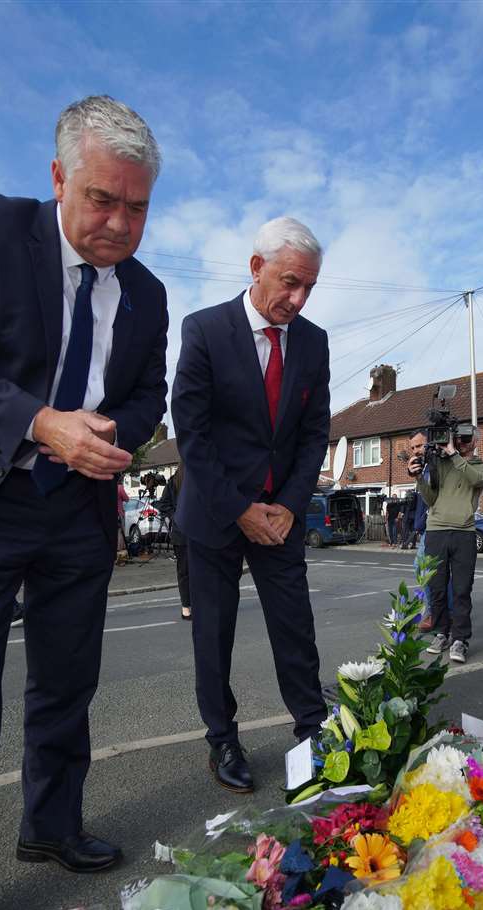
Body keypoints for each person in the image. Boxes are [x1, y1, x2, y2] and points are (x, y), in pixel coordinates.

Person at [0, 96, 170, 910]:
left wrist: (104, 437)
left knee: (65, 683)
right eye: (103, 200)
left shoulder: (149, 292)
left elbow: (145, 396)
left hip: (75, 507)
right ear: (58, 178)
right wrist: (40, 421)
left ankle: (50, 825)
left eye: (138, 207)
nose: (121, 224)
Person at [173, 217, 332, 794]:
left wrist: (290, 504)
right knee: (213, 634)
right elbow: (191, 433)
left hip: (281, 515)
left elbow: (314, 434)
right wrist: (241, 508)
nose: (298, 298)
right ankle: (222, 738)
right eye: (290, 282)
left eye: (309, 287)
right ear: (255, 267)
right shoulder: (205, 330)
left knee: (296, 627)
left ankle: (313, 732)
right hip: (216, 513)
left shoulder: (313, 342)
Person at [419, 426, 483, 663]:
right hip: (436, 532)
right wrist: (418, 478)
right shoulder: (441, 464)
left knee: (461, 590)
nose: (461, 441)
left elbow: (475, 479)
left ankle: (460, 639)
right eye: (458, 437)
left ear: (475, 441)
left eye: (466, 438)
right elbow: (431, 499)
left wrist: (453, 454)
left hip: (464, 533)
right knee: (437, 588)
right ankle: (442, 633)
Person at [155, 465, 191, 620]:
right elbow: (163, 504)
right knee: (190, 571)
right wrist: (176, 516)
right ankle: (188, 606)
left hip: (181, 532)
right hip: (189, 532)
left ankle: (186, 607)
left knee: (184, 572)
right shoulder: (176, 481)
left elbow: (163, 504)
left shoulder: (174, 481)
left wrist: (175, 516)